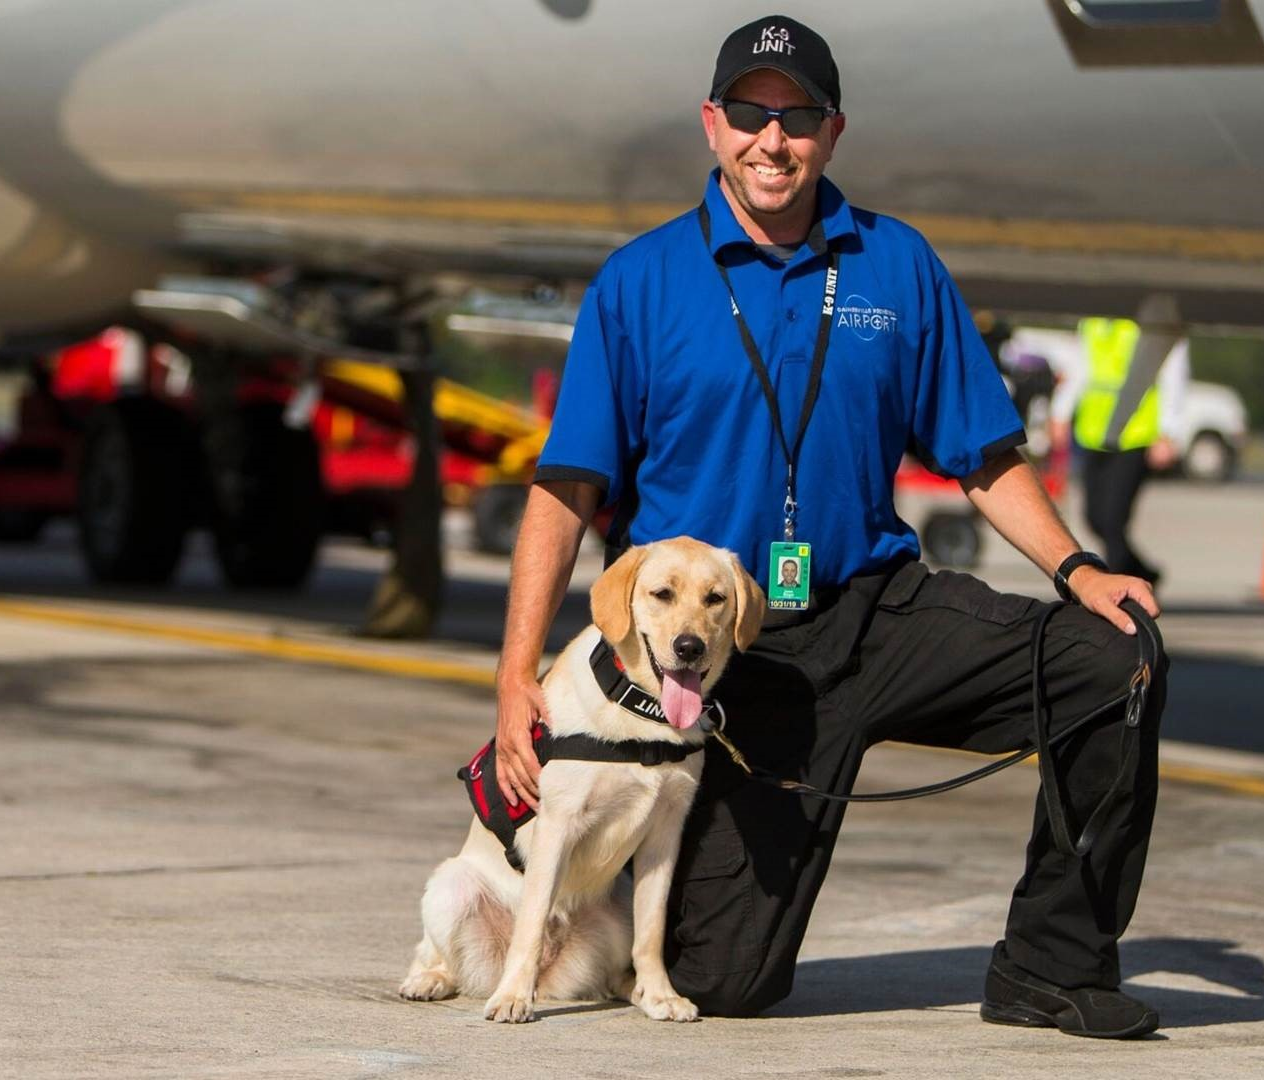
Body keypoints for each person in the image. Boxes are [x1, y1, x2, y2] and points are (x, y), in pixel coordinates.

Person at [494, 15, 1168, 1038]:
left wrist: (1078, 569)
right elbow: (564, 490)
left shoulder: (894, 266)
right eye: (752, 115)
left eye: (797, 116)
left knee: (1110, 660)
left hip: (877, 610)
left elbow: (982, 455)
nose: (774, 139)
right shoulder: (640, 281)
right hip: (729, 657)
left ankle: (1052, 965)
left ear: (832, 130)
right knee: (721, 984)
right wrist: (515, 677)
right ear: (712, 125)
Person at [1049, 299, 1190, 584]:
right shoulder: (1092, 321)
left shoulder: (1148, 320)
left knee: (1113, 520)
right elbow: (1079, 370)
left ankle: (1117, 587)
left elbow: (1173, 372)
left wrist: (1169, 432)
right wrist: (1060, 413)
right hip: (1094, 432)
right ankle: (1145, 572)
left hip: (1135, 434)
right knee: (1094, 518)